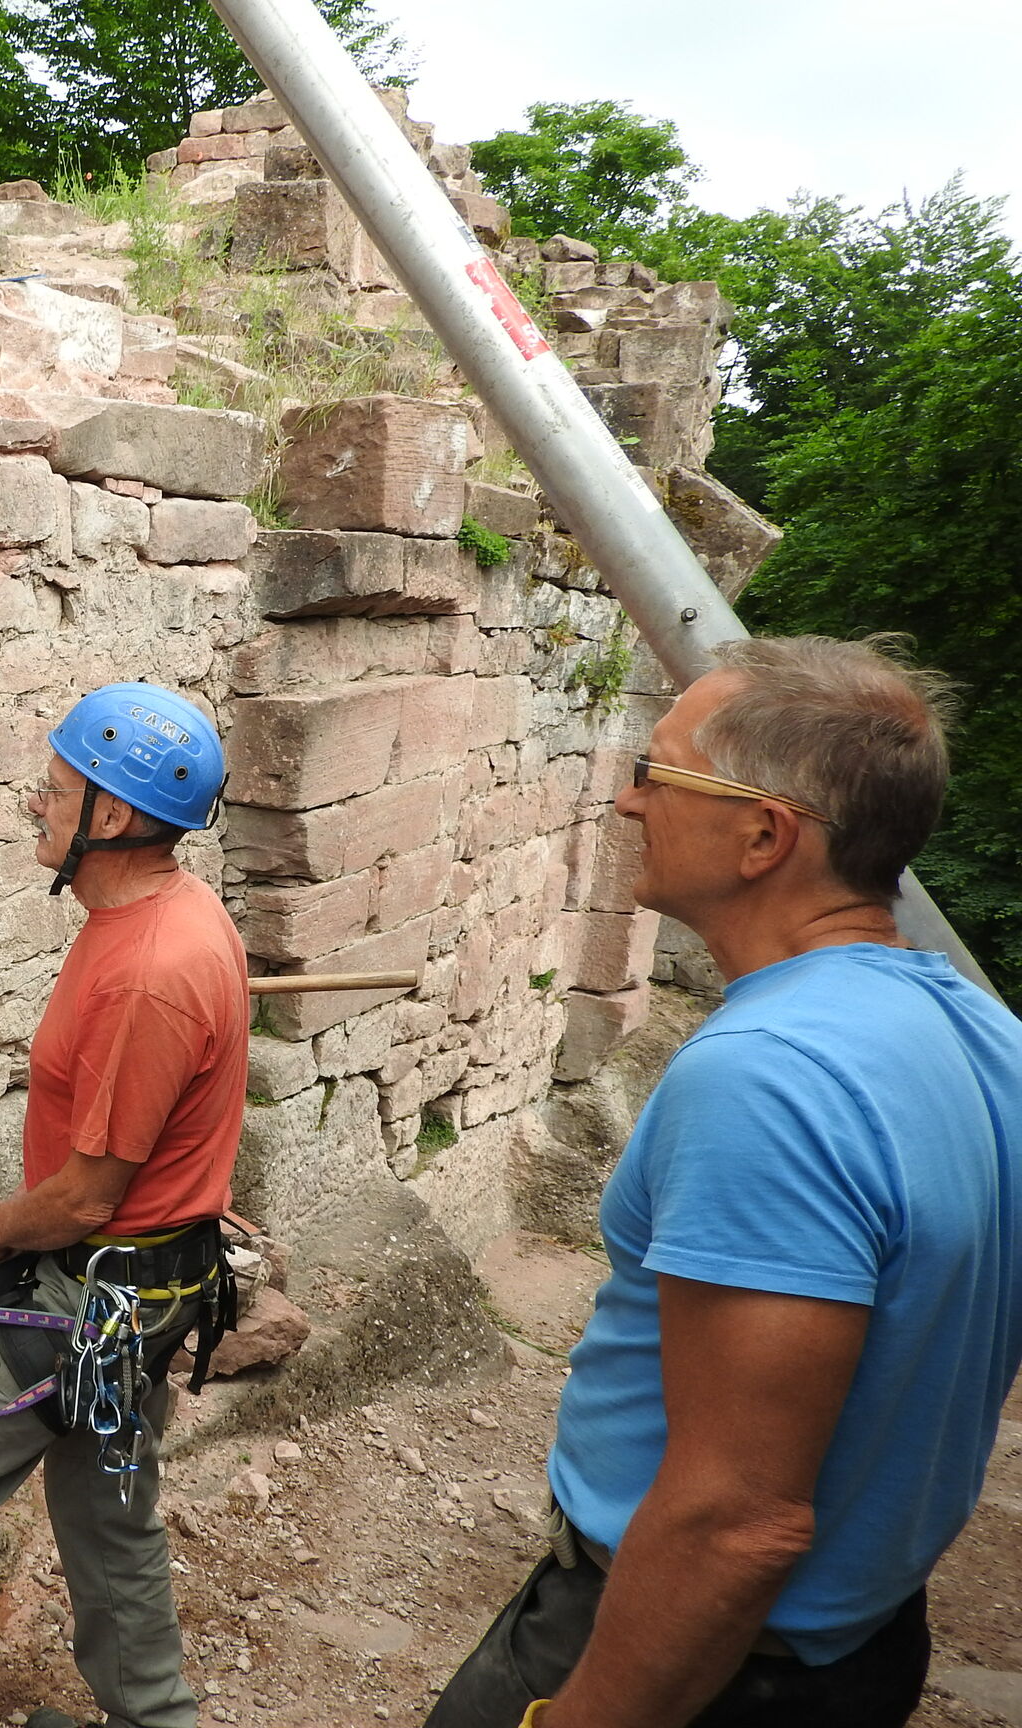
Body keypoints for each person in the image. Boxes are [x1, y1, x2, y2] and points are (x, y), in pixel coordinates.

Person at [428, 636, 1022, 1728]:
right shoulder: (990, 1039)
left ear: (764, 836)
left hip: (712, 1665)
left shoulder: (770, 1079)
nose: (627, 800)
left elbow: (737, 1523)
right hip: (862, 1641)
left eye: (658, 773)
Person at [0, 681, 248, 1728]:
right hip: (153, 1290)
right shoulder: (174, 914)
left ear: (109, 817)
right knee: (108, 1517)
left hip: (94, 1303)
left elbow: (83, 1198)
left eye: (55, 787)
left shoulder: (149, 973)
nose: (36, 801)